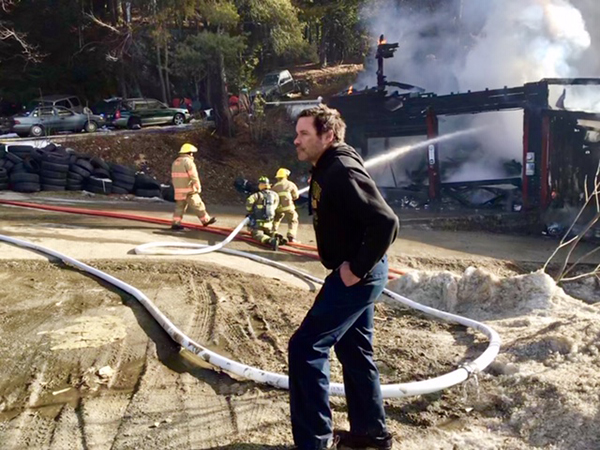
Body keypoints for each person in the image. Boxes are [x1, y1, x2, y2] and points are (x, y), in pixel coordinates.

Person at [288, 105, 399, 450]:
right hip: (357, 272)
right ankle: (370, 435)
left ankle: (314, 443)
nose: (297, 140)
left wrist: (356, 268)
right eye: (297, 133)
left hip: (358, 276)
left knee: (306, 347)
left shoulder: (342, 170)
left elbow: (386, 222)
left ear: (328, 136)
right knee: (354, 350)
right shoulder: (326, 166)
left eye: (305, 134)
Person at [170, 143, 217, 230]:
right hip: (189, 189)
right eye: (192, 153)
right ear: (189, 153)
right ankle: (205, 220)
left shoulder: (176, 162)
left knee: (180, 207)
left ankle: (176, 223)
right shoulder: (188, 162)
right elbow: (193, 176)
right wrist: (198, 186)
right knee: (198, 205)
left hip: (179, 189)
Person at [245, 176, 280, 250]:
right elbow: (276, 204)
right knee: (268, 232)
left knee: (257, 234)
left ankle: (271, 241)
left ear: (261, 185)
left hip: (258, 222)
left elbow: (249, 202)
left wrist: (250, 210)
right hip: (269, 222)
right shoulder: (275, 195)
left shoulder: (257, 195)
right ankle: (277, 236)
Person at [272, 167, 299, 243]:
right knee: (293, 220)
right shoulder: (290, 184)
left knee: (276, 220)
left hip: (278, 208)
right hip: (288, 207)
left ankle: (273, 233)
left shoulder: (274, 186)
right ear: (286, 176)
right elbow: (296, 196)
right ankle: (291, 237)